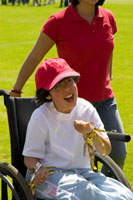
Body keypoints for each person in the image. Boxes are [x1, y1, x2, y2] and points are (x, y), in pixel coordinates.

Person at [10, 0, 126, 174]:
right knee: (73, 159)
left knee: (117, 152)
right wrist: (16, 89)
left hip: (105, 99)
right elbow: (35, 56)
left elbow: (107, 50)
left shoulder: (108, 17)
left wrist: (108, 76)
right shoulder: (57, 21)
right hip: (70, 105)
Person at [22, 58, 133, 200]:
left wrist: (90, 134)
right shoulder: (41, 116)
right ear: (47, 94)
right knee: (88, 193)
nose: (67, 88)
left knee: (122, 194)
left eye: (69, 81)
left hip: (83, 173)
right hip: (50, 176)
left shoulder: (86, 108)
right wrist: (38, 168)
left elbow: (106, 150)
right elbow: (29, 158)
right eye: (58, 86)